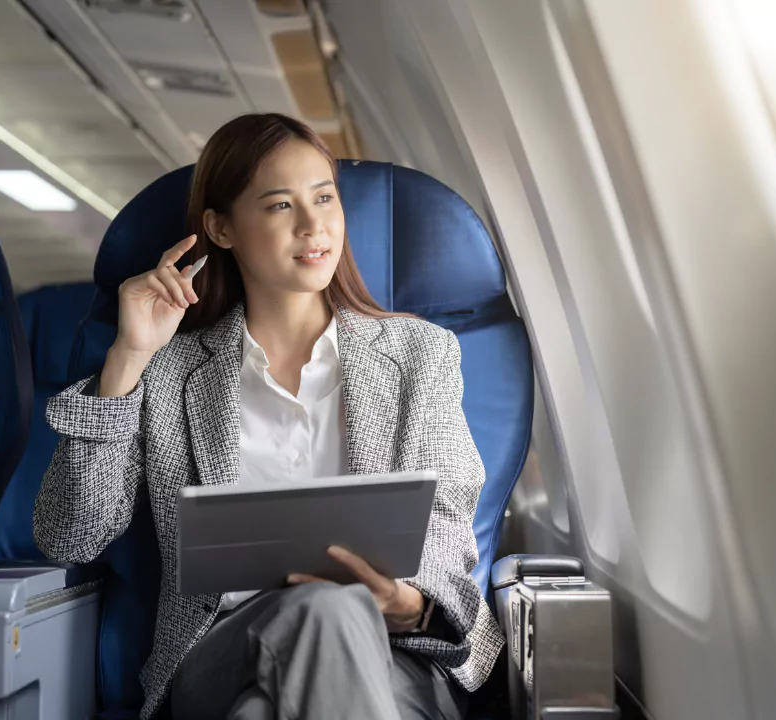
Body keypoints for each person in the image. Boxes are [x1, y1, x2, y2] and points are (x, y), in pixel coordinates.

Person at [33, 113, 502, 720]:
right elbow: (71, 534)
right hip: (223, 651)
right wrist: (127, 359)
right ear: (221, 228)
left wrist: (407, 603)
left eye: (324, 198)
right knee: (318, 613)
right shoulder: (170, 370)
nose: (314, 226)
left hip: (392, 653)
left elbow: (443, 517)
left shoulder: (419, 355)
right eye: (281, 206)